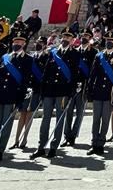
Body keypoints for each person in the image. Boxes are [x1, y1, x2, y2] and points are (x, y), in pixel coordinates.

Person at [0, 32, 34, 164]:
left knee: (6, 124)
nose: (16, 44)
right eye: (15, 42)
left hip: (12, 96)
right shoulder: (5, 57)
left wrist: (20, 99)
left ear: (24, 44)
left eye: (20, 42)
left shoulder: (28, 59)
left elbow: (25, 80)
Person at [31, 30, 80, 159]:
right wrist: (42, 90)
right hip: (49, 91)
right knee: (45, 119)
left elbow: (74, 74)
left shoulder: (75, 54)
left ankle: (53, 147)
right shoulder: (52, 52)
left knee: (59, 119)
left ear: (72, 40)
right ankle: (41, 146)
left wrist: (70, 92)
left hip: (62, 92)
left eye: (68, 37)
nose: (65, 39)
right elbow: (46, 71)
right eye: (64, 36)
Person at [86, 38, 113, 155]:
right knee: (96, 119)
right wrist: (89, 90)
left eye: (112, 40)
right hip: (98, 91)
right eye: (107, 40)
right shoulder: (99, 56)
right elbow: (93, 74)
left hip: (109, 93)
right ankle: (94, 142)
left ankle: (101, 143)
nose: (109, 42)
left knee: (105, 119)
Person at [63, 35, 95, 147]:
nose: (84, 38)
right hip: (72, 85)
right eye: (83, 36)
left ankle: (73, 136)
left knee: (79, 112)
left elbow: (92, 71)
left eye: (86, 36)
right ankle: (66, 135)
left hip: (84, 86)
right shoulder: (74, 51)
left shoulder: (93, 52)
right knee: (68, 111)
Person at [14, 39, 46, 150]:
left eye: (41, 43)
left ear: (44, 45)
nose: (38, 45)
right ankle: (16, 139)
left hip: (36, 90)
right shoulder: (30, 57)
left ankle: (24, 138)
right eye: (37, 43)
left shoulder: (46, 58)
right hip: (26, 89)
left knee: (29, 114)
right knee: (22, 114)